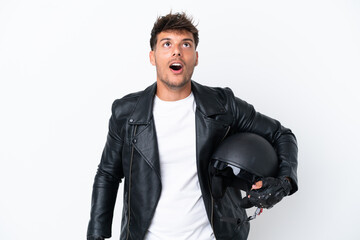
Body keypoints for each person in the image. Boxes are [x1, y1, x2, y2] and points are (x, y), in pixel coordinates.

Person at [87, 12, 298, 240]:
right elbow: (108, 174)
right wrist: (96, 234)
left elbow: (281, 134)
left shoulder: (223, 105)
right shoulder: (126, 112)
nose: (177, 51)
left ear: (195, 57)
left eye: (185, 44)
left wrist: (283, 182)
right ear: (152, 56)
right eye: (167, 44)